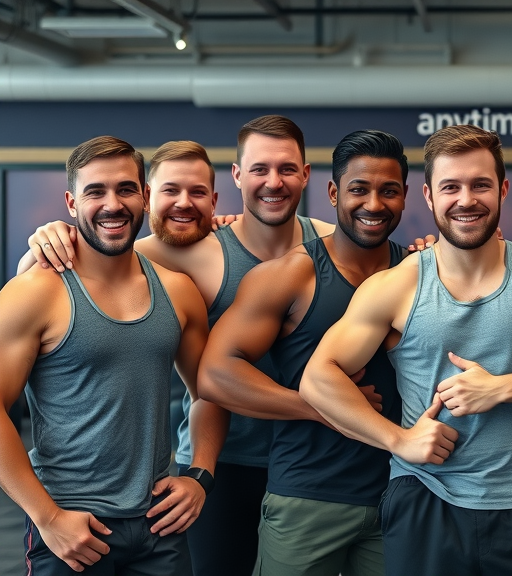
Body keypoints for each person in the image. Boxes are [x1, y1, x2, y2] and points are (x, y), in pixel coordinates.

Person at [300, 124, 512, 576]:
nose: (466, 199)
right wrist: (398, 439)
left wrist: (499, 389)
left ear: (504, 190)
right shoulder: (397, 285)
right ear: (429, 197)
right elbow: (318, 377)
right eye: (450, 186)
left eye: (480, 185)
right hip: (425, 500)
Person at [24, 116, 334, 576]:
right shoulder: (170, 253)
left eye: (286, 169)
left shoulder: (330, 244)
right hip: (216, 466)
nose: (273, 181)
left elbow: (397, 266)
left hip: (309, 460)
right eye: (170, 191)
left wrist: (428, 246)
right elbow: (79, 257)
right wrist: (44, 242)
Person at [0, 136, 219, 574]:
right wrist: (48, 518)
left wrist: (200, 475)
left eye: (125, 189)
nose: (112, 204)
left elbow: (209, 392)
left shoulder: (178, 291)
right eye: (94, 191)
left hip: (160, 525)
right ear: (71, 202)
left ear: (145, 195)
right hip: (72, 527)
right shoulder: (35, 292)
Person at [199, 130, 410, 576]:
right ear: (333, 193)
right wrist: (321, 406)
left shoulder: (420, 270)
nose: (373, 204)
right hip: (306, 496)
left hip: (401, 493)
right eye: (358, 189)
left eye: (388, 191)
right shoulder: (290, 274)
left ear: (406, 198)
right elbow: (214, 375)